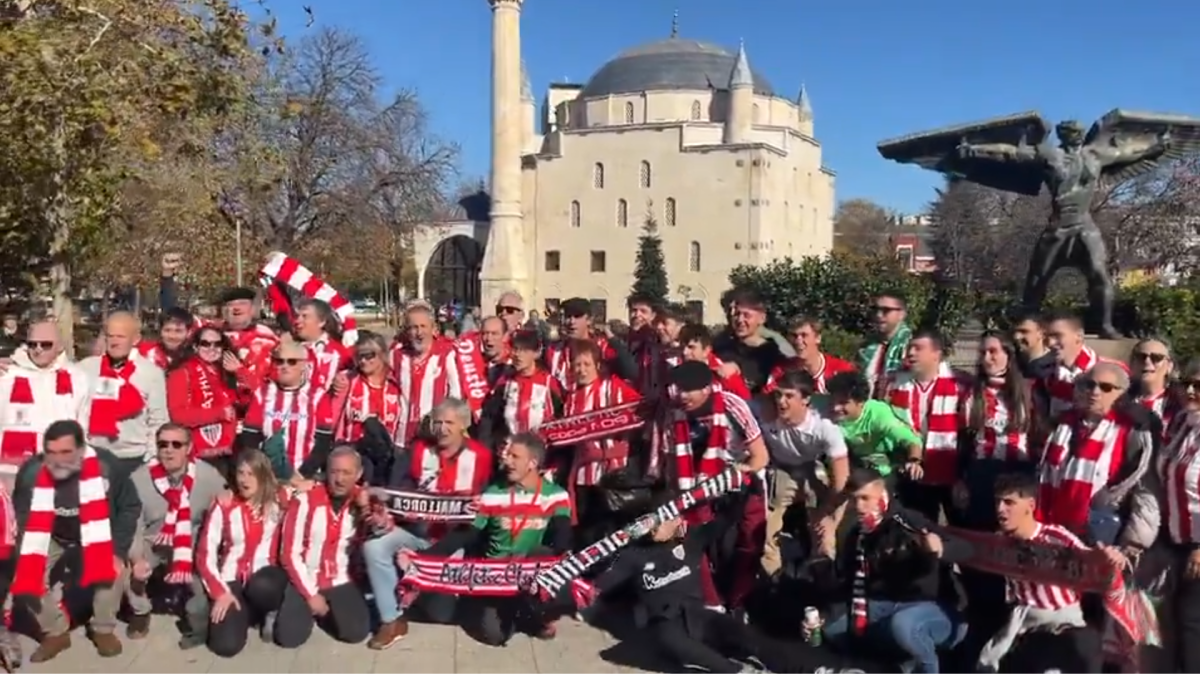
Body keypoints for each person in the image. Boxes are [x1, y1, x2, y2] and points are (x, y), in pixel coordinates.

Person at [404, 433, 572, 645]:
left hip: (529, 572)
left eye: (514, 456)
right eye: (506, 455)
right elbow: (465, 535)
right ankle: (515, 612)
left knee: (547, 557)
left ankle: (535, 613)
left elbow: (561, 536)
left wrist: (556, 565)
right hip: (496, 577)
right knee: (495, 636)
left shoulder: (556, 495)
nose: (506, 461)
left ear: (532, 463)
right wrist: (422, 559)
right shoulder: (493, 493)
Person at [362, 399, 492, 649]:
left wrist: (435, 554)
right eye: (437, 422)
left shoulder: (481, 456)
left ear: (464, 425)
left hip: (452, 541)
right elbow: (396, 492)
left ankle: (417, 593)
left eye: (449, 423)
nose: (442, 428)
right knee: (373, 547)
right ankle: (391, 619)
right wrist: (385, 513)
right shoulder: (418, 450)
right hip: (415, 532)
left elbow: (480, 516)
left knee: (441, 613)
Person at [9, 420, 142, 662]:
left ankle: (103, 629)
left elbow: (130, 506)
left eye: (65, 452)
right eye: (51, 452)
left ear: (81, 450)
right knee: (25, 576)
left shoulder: (108, 466)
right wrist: (26, 558)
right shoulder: (31, 473)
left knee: (112, 567)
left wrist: (118, 550)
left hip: (99, 531)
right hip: (52, 534)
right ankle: (56, 632)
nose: (57, 460)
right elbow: (23, 520)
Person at [813, 466, 965, 674]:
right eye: (854, 499)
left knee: (902, 625)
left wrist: (940, 548)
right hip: (883, 604)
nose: (859, 506)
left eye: (866, 498)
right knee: (831, 627)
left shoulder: (907, 521)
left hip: (928, 606)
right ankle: (895, 663)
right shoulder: (857, 535)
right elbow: (848, 583)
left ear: (881, 495)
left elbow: (966, 549)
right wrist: (824, 614)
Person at [653, 361, 769, 614]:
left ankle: (739, 604)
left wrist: (736, 476)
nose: (681, 395)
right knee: (693, 542)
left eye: (688, 389)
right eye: (678, 388)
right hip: (697, 487)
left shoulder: (731, 405)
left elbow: (760, 456)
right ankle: (711, 604)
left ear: (707, 388)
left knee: (748, 546)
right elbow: (671, 464)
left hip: (742, 482)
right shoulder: (674, 414)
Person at [975, 472, 1121, 673]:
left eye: (1009, 503)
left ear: (1030, 506)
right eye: (998, 502)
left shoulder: (1055, 536)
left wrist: (1108, 556)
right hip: (1025, 625)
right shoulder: (998, 542)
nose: (1001, 509)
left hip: (1063, 621)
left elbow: (1087, 557)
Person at [125, 423, 226, 646]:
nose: (169, 450)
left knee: (199, 592)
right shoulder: (139, 479)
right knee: (129, 569)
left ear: (189, 448)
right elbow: (131, 525)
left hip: (190, 541)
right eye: (163, 445)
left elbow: (226, 508)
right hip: (153, 539)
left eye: (176, 444)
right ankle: (141, 612)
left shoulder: (207, 475)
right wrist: (136, 558)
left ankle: (196, 621)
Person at [1037, 362, 1159, 542]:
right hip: (1054, 527)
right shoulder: (1062, 424)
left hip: (1103, 532)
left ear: (1122, 394)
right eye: (1089, 384)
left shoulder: (1132, 432)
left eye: (1106, 387)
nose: (1095, 392)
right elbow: (1042, 474)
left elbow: (1144, 490)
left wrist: (1135, 542)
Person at [196, 450, 291, 658]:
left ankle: (270, 611)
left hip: (265, 576)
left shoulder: (279, 498)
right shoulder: (225, 505)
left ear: (263, 476)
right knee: (225, 646)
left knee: (263, 586)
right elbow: (205, 553)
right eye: (241, 473)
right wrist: (220, 592)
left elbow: (312, 490)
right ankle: (246, 615)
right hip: (232, 578)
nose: (244, 480)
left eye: (251, 474)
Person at [276, 446, 372, 647]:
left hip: (339, 578)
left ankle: (327, 612)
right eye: (335, 472)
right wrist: (310, 596)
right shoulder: (305, 500)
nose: (340, 479)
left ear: (358, 474)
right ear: (326, 472)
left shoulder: (363, 501)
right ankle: (296, 609)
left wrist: (366, 508)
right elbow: (288, 554)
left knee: (356, 633)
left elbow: (379, 531)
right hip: (306, 577)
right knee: (289, 638)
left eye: (347, 473)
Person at [761, 370, 849, 571]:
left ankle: (823, 570)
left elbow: (842, 479)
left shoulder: (824, 426)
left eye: (789, 396)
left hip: (811, 466)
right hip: (780, 467)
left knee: (824, 519)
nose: (781, 402)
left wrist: (828, 513)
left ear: (806, 400)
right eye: (778, 395)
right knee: (767, 523)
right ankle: (772, 577)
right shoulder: (765, 413)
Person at [955, 332, 1037, 530]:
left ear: (1008, 354)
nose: (986, 358)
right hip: (982, 471)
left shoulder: (1029, 390)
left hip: (1018, 470)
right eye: (982, 352)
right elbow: (964, 439)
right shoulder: (973, 392)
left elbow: (1038, 435)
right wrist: (960, 478)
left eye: (993, 352)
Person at [886, 329, 970, 522]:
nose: (911, 353)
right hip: (911, 473)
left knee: (960, 530)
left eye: (918, 348)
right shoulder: (895, 384)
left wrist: (963, 474)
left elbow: (968, 433)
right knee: (918, 531)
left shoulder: (961, 385)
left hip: (950, 471)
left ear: (936, 354)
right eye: (910, 348)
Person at [562, 339, 642, 541]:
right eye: (577, 364)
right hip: (583, 474)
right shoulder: (571, 398)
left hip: (614, 472)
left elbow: (641, 411)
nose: (581, 370)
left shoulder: (613, 387)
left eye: (586, 364)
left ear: (598, 366)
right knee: (588, 532)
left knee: (615, 529)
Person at [78, 311, 169, 475]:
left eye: (120, 336)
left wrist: (151, 458)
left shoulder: (150, 373)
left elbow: (158, 420)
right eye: (110, 336)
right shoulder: (86, 369)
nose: (114, 342)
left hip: (135, 459)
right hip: (94, 456)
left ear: (135, 339)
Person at [237, 338, 335, 482]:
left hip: (305, 476)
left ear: (304, 365)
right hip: (267, 476)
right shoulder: (262, 393)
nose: (284, 366)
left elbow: (323, 444)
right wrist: (263, 473)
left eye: (292, 361)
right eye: (279, 361)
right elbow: (250, 438)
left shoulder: (318, 397)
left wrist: (301, 475)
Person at [0, 321, 90, 471]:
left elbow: (83, 427)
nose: (38, 350)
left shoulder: (77, 378)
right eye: (32, 344)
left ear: (60, 346)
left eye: (46, 344)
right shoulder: (6, 374)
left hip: (61, 468)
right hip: (11, 469)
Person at [165, 326, 241, 480]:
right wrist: (219, 414)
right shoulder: (182, 372)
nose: (212, 348)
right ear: (196, 346)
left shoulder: (226, 372)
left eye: (217, 344)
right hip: (198, 453)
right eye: (205, 344)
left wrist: (240, 372)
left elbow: (254, 400)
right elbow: (178, 416)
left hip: (232, 452)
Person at [390, 302, 465, 448]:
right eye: (413, 327)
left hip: (435, 437)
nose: (419, 333)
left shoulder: (446, 354)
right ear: (406, 331)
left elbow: (456, 394)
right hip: (402, 438)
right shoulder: (396, 355)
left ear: (433, 329)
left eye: (423, 326)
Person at [825, 372, 923, 480]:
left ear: (861, 402)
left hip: (889, 466)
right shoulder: (823, 411)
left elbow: (911, 440)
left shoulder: (878, 415)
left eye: (843, 403)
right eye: (833, 401)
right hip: (854, 466)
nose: (835, 408)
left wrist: (914, 461)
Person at [476, 330, 564, 446]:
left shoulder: (549, 383)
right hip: (511, 451)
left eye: (524, 350)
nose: (518, 355)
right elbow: (490, 418)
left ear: (536, 353)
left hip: (543, 453)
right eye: (515, 349)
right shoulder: (505, 383)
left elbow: (561, 418)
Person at [545, 297, 637, 389]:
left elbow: (630, 372)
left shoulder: (603, 347)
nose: (572, 322)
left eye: (577, 316)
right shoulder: (554, 351)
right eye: (568, 316)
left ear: (589, 320)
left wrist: (612, 339)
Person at [332, 332, 401, 444]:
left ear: (382, 354)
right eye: (360, 356)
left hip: (389, 450)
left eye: (369, 355)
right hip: (352, 450)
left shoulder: (396, 382)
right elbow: (332, 417)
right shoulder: (347, 380)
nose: (363, 361)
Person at [762, 316, 855, 395]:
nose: (798, 341)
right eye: (794, 336)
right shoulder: (780, 371)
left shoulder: (841, 370)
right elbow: (767, 404)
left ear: (818, 338)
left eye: (804, 335)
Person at [857, 291, 913, 399]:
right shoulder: (866, 347)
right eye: (875, 309)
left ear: (902, 314)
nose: (878, 315)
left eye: (886, 310)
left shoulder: (912, 346)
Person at [292, 298, 352, 392]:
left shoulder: (340, 351)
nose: (297, 321)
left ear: (322, 322)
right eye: (297, 316)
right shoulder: (287, 349)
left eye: (304, 316)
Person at [1128, 337, 1176, 428]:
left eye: (1156, 358)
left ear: (1169, 366)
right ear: (1132, 363)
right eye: (1141, 357)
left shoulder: (1177, 404)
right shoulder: (1118, 400)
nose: (1147, 361)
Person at [136, 306, 195, 370]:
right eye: (167, 330)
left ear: (189, 332)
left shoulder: (195, 360)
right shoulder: (144, 352)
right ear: (160, 331)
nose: (172, 336)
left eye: (178, 331)